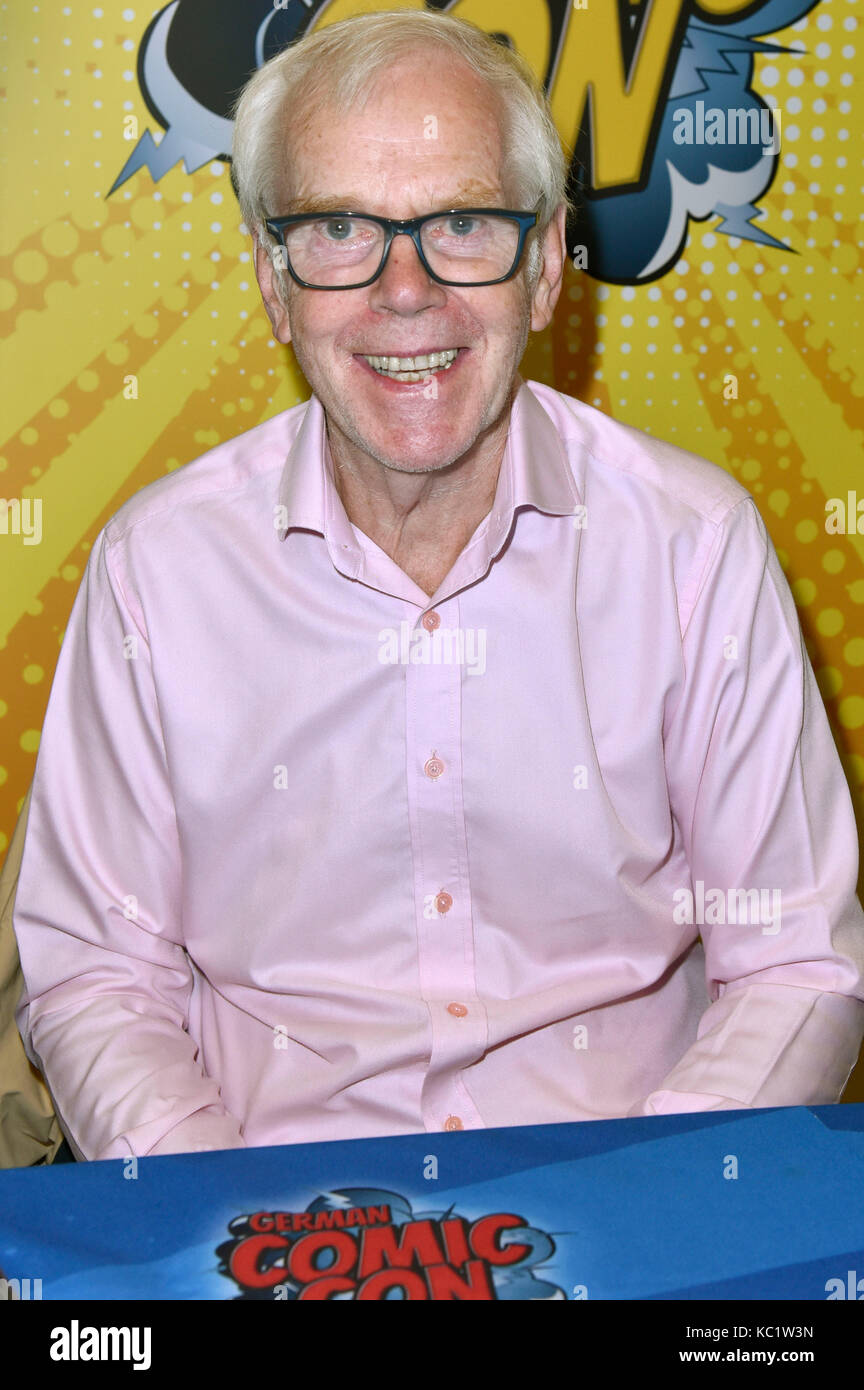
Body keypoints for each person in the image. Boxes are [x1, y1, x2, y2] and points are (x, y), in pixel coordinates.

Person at [11, 10, 864, 1162]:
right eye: (340, 229)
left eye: (463, 223)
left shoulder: (694, 544)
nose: (404, 291)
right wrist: (224, 1232)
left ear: (550, 263)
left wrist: (647, 1213)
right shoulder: (155, 573)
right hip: (263, 1214)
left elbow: (798, 960)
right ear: (274, 281)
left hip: (630, 1198)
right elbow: (97, 975)